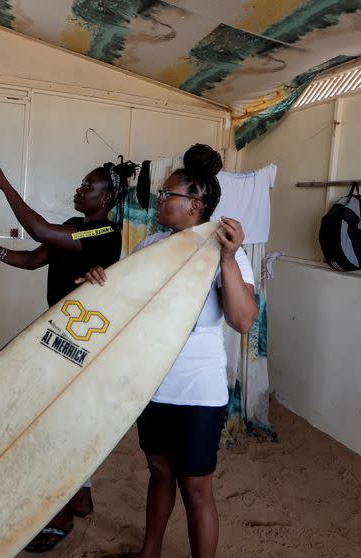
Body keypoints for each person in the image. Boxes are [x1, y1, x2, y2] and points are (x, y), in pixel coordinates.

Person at [78, 148, 258, 558]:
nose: (158, 200)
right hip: (152, 384)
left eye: (166, 194)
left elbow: (243, 321)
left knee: (196, 489)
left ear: (194, 205)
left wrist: (228, 258)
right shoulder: (153, 244)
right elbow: (127, 300)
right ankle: (149, 552)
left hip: (197, 391)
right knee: (159, 472)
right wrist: (100, 279)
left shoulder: (226, 252)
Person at [0, 153, 137, 553]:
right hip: (57, 337)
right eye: (81, 185)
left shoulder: (103, 235)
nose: (79, 191)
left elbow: (38, 230)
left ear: (108, 197)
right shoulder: (75, 228)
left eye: (88, 187)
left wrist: (3, 181)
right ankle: (81, 497)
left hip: (81, 344)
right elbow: (33, 259)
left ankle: (60, 509)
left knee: (58, 424)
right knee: (63, 419)